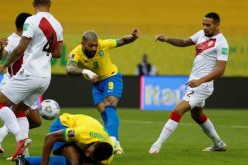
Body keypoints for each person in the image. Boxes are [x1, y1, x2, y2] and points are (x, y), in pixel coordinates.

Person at [0, 0, 63, 160]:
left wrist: (3, 66)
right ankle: (21, 153)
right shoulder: (58, 25)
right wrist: (41, 48)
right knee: (19, 111)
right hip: (45, 78)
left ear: (33, 3)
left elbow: (20, 48)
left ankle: (20, 139)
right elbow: (58, 53)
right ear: (50, 4)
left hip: (30, 73)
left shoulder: (32, 20)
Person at [149, 12, 228, 154]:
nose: (204, 27)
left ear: (217, 25)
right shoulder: (201, 34)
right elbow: (184, 42)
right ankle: (219, 143)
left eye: (208, 25)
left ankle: (157, 145)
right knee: (196, 115)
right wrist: (167, 39)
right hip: (195, 83)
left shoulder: (222, 43)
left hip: (203, 85)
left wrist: (200, 81)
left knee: (177, 111)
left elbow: (221, 70)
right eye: (203, 24)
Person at [66, 29, 139, 154]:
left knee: (110, 104)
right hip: (97, 84)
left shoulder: (103, 44)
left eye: (95, 45)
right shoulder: (76, 52)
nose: (94, 48)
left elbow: (121, 40)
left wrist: (133, 37)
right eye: (91, 45)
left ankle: (112, 140)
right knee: (104, 112)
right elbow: (70, 68)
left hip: (111, 77)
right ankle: (116, 143)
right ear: (82, 43)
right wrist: (85, 71)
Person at [0, 12, 43, 157]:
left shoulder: (30, 38)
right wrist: (1, 49)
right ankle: (10, 145)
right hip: (15, 82)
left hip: (28, 80)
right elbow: (0, 56)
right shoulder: (12, 40)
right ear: (26, 25)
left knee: (36, 121)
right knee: (21, 112)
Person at [15, 113, 114, 165]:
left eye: (91, 156)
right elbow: (50, 137)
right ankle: (25, 161)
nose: (87, 154)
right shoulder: (82, 134)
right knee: (73, 162)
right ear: (95, 144)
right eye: (88, 151)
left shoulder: (106, 157)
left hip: (81, 138)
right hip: (62, 125)